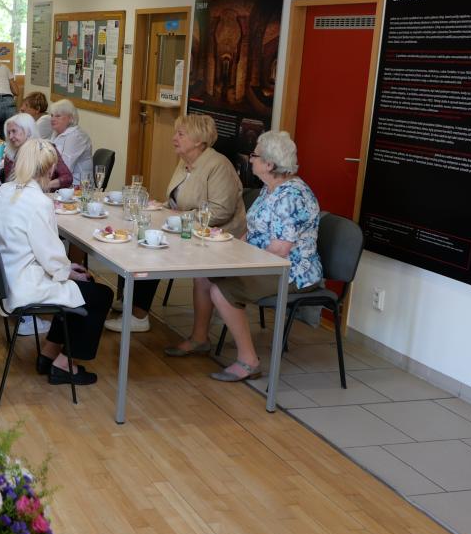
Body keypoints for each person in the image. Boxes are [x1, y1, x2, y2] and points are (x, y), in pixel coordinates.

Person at [169, 131, 323, 383]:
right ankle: (199, 339)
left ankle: (249, 361)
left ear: (269, 164)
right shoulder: (270, 188)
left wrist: (237, 259)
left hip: (291, 270)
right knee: (204, 276)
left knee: (222, 291)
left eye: (255, 155)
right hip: (262, 261)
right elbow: (253, 232)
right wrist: (233, 247)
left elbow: (279, 250)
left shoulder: (292, 196)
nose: (250, 159)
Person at [106, 113, 246, 334]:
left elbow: (221, 211)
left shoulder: (218, 165)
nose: (174, 138)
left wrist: (180, 217)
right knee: (143, 240)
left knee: (153, 251)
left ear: (199, 141)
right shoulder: (185, 161)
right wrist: (162, 207)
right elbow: (178, 201)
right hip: (188, 230)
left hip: (216, 238)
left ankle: (138, 316)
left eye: (181, 134)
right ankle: (131, 302)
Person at [0, 140, 112, 387]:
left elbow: (41, 252)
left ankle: (49, 353)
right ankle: (64, 365)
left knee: (79, 288)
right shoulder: (39, 202)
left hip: (5, 279)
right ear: (50, 168)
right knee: (100, 294)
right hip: (23, 286)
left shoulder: (5, 190)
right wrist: (67, 271)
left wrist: (65, 269)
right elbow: (51, 256)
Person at [0, 113, 72, 189]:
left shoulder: (46, 149)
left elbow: (67, 178)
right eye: (8, 133)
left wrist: (43, 186)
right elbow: (9, 182)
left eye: (14, 131)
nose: (10, 137)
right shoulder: (10, 154)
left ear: (28, 131)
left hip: (44, 194)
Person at [49, 99, 93, 185]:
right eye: (52, 115)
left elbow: (64, 168)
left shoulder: (76, 136)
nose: (53, 119)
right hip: (60, 182)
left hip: (77, 186)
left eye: (58, 116)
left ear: (70, 118)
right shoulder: (56, 133)